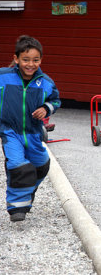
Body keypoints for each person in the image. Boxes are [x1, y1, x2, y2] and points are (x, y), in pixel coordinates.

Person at [1, 35, 61, 222]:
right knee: (18, 166)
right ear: (16, 58)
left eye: (35, 60)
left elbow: (56, 101)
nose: (30, 64)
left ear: (41, 60)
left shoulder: (46, 82)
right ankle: (17, 208)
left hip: (34, 133)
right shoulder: (3, 77)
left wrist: (45, 108)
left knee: (41, 165)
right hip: (10, 132)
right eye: (25, 60)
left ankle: (27, 190)